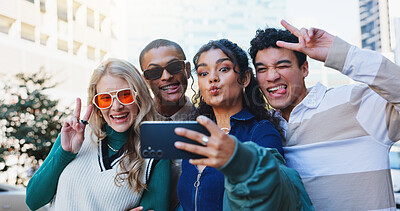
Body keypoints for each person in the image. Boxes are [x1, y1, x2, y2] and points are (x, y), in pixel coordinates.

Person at [247, 20, 400, 210]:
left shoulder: (353, 103)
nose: (272, 76)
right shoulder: (263, 129)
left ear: (304, 69)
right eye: (262, 69)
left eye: (282, 65)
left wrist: (340, 54)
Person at [175, 39, 312, 210]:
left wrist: (238, 158)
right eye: (203, 73)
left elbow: (273, 187)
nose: (212, 78)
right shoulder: (195, 134)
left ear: (245, 78)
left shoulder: (261, 132)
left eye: (223, 69)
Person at [25, 59, 171, 210]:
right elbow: (33, 201)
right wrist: (64, 153)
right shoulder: (75, 135)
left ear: (139, 97)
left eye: (125, 95)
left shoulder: (155, 153)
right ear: (97, 105)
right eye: (105, 98)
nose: (116, 106)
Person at [139, 39, 196, 121]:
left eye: (174, 67)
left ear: (187, 69)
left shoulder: (209, 120)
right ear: (145, 80)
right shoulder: (135, 123)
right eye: (155, 72)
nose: (166, 76)